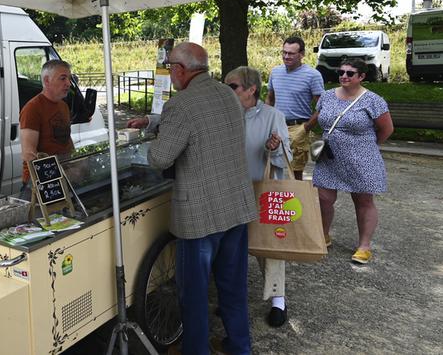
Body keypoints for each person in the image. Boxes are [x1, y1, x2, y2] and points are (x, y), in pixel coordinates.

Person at [132, 43, 256, 355]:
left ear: (181, 69)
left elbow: (160, 157)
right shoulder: (228, 93)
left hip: (202, 215)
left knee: (195, 294)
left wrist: (147, 144)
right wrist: (154, 122)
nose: (170, 72)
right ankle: (240, 347)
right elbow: (208, 130)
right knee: (232, 287)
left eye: (170, 65)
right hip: (237, 206)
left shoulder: (182, 104)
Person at [224, 66, 292, 328]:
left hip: (263, 190)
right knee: (232, 248)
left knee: (270, 246)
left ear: (251, 89)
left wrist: (273, 148)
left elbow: (285, 156)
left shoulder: (273, 116)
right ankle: (232, 298)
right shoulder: (226, 114)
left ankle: (278, 300)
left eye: (233, 86)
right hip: (231, 189)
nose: (228, 91)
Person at [312, 58, 393, 264]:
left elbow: (386, 129)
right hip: (329, 157)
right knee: (324, 198)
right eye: (341, 72)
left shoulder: (373, 100)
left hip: (362, 158)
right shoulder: (327, 96)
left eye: (349, 73)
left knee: (363, 201)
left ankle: (364, 246)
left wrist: (367, 146)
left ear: (361, 77)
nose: (344, 76)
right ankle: (324, 235)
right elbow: (320, 119)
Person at [266, 36, 324, 180]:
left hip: (298, 127)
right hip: (276, 127)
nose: (286, 56)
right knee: (270, 168)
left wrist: (306, 128)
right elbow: (270, 98)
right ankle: (273, 200)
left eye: (291, 53)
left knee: (296, 172)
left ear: (302, 54)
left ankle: (297, 200)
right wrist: (265, 121)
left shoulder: (313, 75)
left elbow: (322, 106)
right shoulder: (275, 72)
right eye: (284, 52)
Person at [19, 60, 74, 197]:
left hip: (63, 176)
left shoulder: (63, 106)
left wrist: (75, 164)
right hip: (39, 182)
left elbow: (67, 139)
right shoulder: (32, 108)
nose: (68, 83)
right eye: (63, 78)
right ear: (46, 80)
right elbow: (29, 154)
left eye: (69, 78)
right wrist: (51, 179)